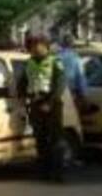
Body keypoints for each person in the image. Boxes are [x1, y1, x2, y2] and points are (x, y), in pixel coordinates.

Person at [19, 34, 67, 182]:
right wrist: (22, 96)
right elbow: (23, 82)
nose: (33, 49)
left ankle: (57, 173)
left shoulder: (55, 62)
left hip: (51, 103)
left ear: (45, 46)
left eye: (36, 46)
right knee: (40, 139)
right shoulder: (29, 63)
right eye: (31, 46)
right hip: (35, 102)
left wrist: (50, 103)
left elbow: (60, 85)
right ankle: (44, 172)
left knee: (55, 140)